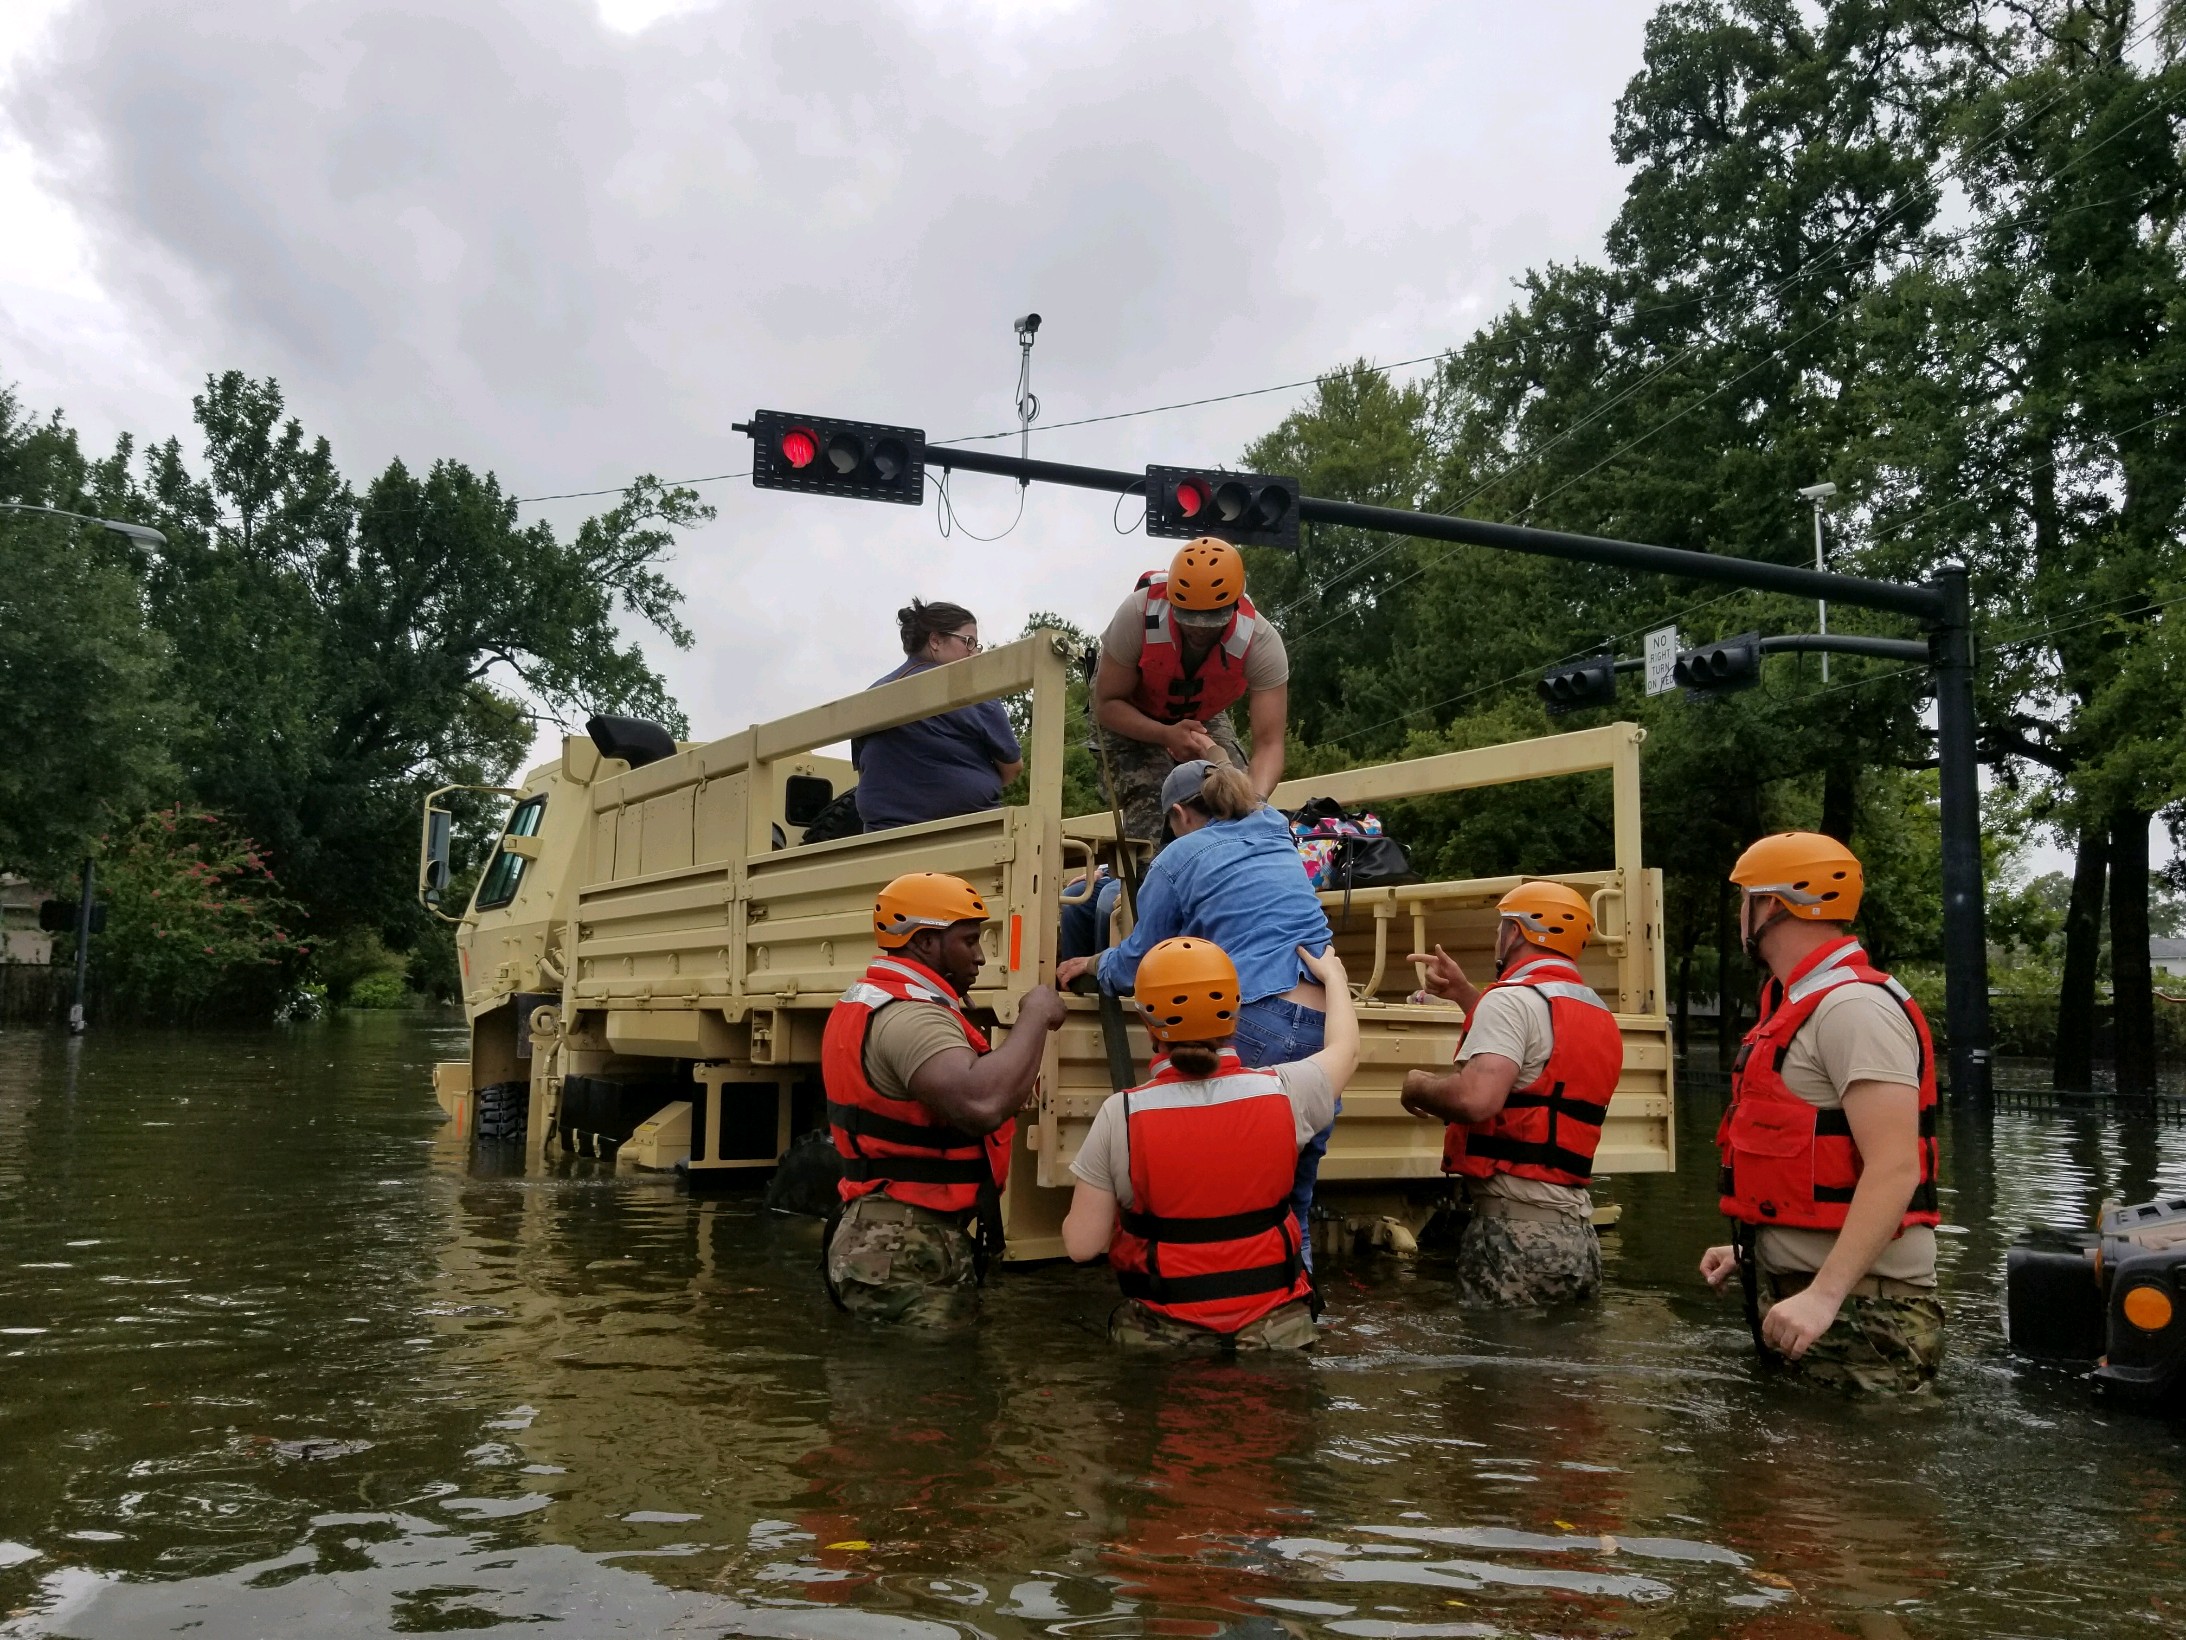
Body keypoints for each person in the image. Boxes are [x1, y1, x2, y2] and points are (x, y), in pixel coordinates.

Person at [1055, 760, 1338, 1261]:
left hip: (1254, 1014)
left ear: (1180, 813)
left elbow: (1142, 960)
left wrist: (1092, 963)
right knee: (1291, 1204)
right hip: (1322, 1016)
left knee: (1222, 1196)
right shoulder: (1276, 829)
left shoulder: (1178, 857)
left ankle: (1207, 1306)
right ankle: (1295, 1310)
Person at [1699, 832, 1945, 1394]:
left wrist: (1824, 1294)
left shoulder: (1854, 1010)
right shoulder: (1803, 1003)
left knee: (1834, 1480)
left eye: (1746, 898)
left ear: (1774, 904)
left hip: (1862, 1315)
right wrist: (1756, 1247)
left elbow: (1895, 1167)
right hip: (1818, 1301)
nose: (1740, 913)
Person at [1061, 937, 1358, 1349]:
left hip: (1167, 1342)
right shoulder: (1285, 1092)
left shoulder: (1121, 1115)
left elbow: (1081, 1246)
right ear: (1234, 1014)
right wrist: (1333, 978)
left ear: (1148, 1022)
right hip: (1276, 1335)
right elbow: (1346, 1049)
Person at [822, 871, 1065, 1326]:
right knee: (921, 1388)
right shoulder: (911, 1017)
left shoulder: (885, 1000)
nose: (979, 957)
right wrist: (1035, 1014)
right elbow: (981, 1105)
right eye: (969, 941)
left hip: (895, 1233)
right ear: (926, 943)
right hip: (900, 1242)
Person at [1398, 881, 1622, 1307]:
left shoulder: (1512, 1001)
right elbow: (1534, 1059)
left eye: (1501, 927)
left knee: (1497, 1369)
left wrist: (1417, 1086)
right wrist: (1466, 995)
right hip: (1576, 1236)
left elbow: (1476, 1100)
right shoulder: (1594, 1010)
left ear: (1516, 933)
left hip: (1515, 1235)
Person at [1091, 538, 1289, 849]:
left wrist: (1254, 804)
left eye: (1212, 622)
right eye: (1188, 619)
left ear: (1234, 606)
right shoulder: (1137, 615)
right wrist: (1165, 735)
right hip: (1128, 715)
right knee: (1157, 809)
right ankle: (1150, 887)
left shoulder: (1262, 642)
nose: (1199, 631)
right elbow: (1106, 704)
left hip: (1200, 713)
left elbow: (1270, 743)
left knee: (1230, 798)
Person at [852, 600, 1023, 833]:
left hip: (882, 839)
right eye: (968, 642)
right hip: (969, 836)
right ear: (935, 641)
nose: (974, 654)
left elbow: (864, 768)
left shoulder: (868, 699)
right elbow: (1013, 767)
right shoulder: (973, 694)